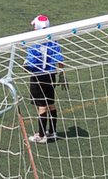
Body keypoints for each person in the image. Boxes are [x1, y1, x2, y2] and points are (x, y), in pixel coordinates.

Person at [25, 14, 63, 144]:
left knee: (41, 106)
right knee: (51, 103)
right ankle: (52, 132)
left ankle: (41, 135)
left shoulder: (34, 42)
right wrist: (61, 74)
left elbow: (29, 63)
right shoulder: (53, 40)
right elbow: (60, 60)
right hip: (51, 75)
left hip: (38, 76)